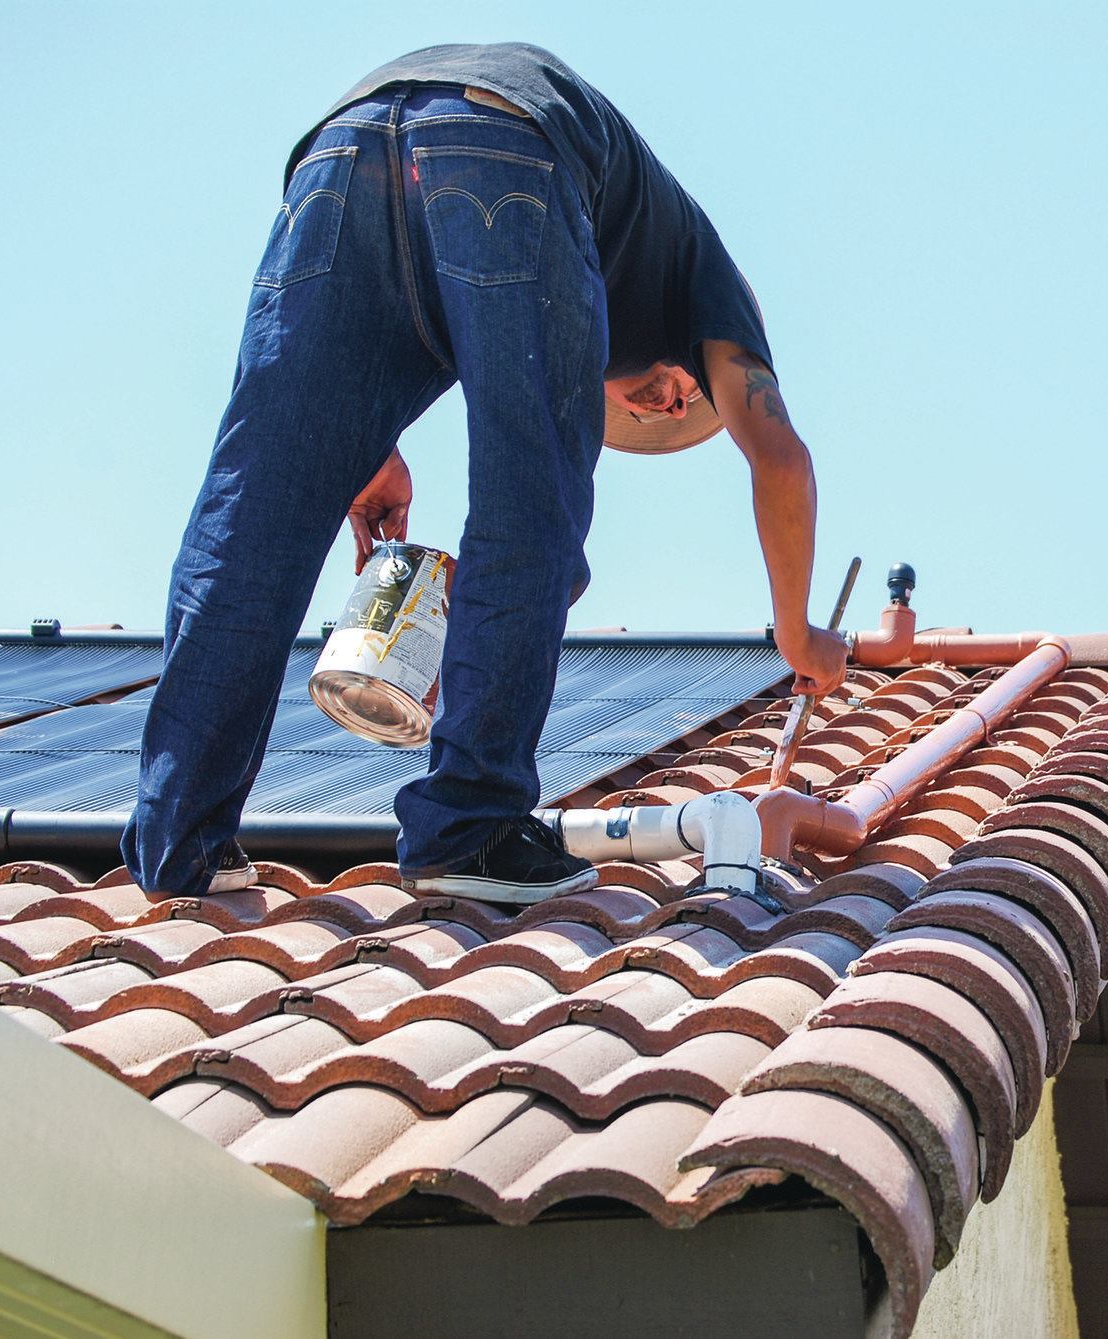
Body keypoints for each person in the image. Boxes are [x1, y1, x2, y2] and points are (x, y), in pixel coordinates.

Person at [120, 43, 847, 905]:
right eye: (687, 395)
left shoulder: (614, 266)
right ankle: (468, 825)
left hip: (341, 151)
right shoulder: (708, 277)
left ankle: (180, 838)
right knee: (532, 500)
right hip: (510, 142)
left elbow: (367, 340)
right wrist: (797, 633)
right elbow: (781, 459)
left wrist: (366, 445)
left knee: (255, 507)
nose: (665, 404)